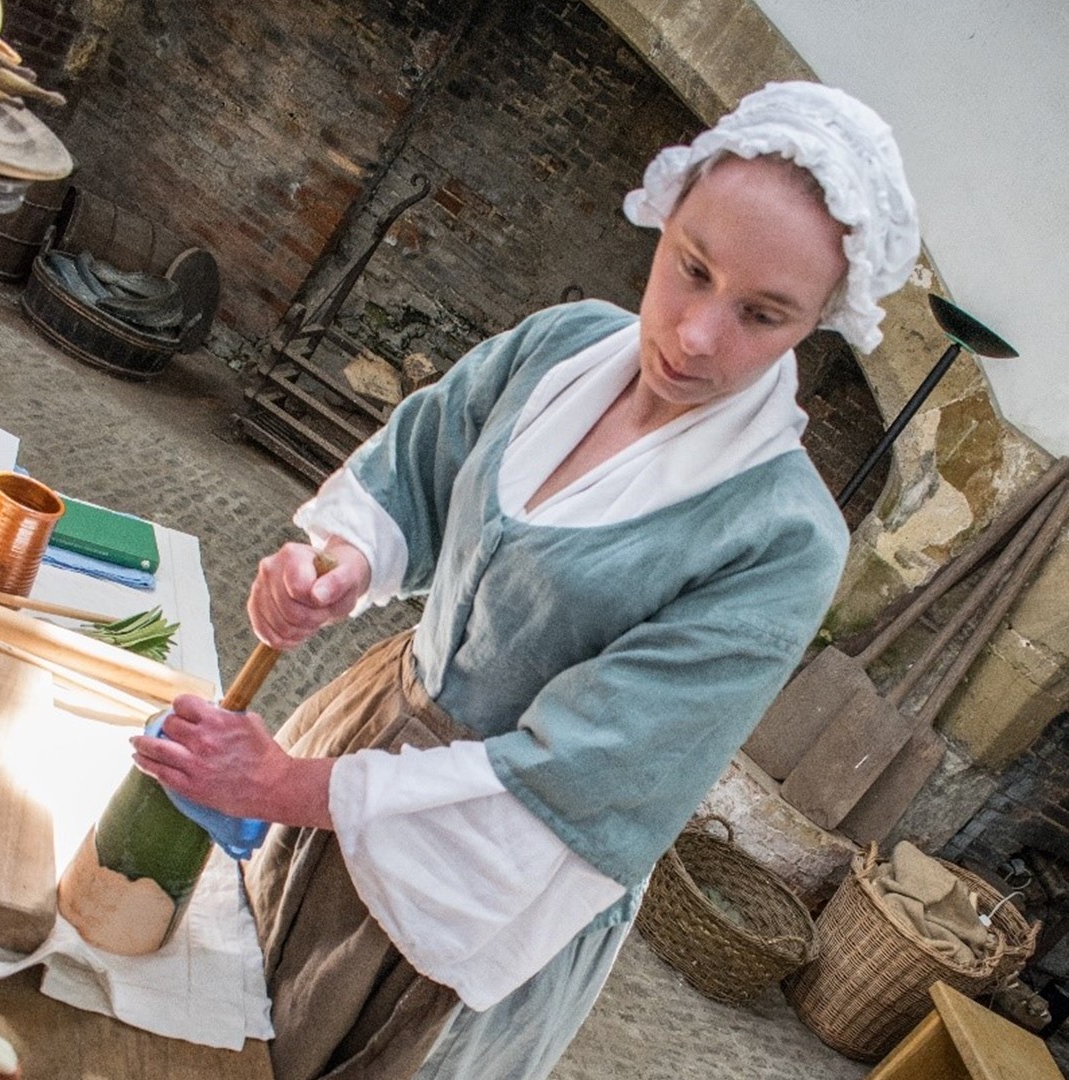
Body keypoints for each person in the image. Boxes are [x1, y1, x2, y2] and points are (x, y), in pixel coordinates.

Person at [131, 80, 920, 1080]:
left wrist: (287, 785)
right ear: (666, 216)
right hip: (362, 741)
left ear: (819, 322)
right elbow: (422, 468)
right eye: (692, 270)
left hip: (481, 860)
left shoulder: (783, 538)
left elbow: (583, 771)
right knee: (222, 1004)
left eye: (764, 316)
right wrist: (338, 565)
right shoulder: (565, 345)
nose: (696, 337)